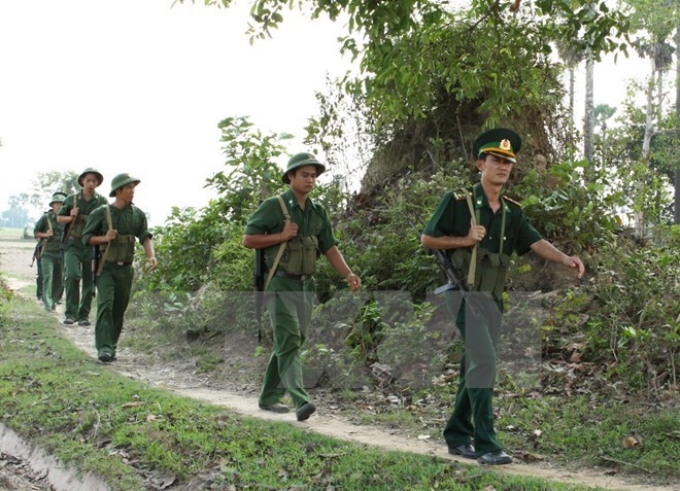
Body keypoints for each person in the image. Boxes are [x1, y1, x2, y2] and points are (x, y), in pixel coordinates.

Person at [421, 128, 585, 465]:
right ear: (480, 163)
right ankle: (487, 444)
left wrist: (565, 258)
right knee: (485, 362)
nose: (503, 166)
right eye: (496, 160)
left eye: (508, 161)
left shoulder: (512, 212)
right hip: (462, 293)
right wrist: (464, 240)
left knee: (474, 364)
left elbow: (536, 242)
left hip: (493, 299)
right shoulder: (458, 202)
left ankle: (456, 434)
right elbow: (428, 240)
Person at [243, 153, 362, 421]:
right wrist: (281, 236)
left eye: (313, 176)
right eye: (305, 175)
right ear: (290, 177)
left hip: (306, 286)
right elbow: (249, 239)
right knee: (289, 340)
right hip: (280, 283)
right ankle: (300, 399)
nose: (310, 180)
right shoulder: (274, 206)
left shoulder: (318, 211)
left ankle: (268, 396)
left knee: (293, 341)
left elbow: (329, 247)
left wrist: (348, 273)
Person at [82, 173, 157, 363]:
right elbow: (86, 238)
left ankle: (112, 345)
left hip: (126, 270)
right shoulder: (101, 213)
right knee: (105, 305)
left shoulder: (138, 215)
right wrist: (104, 238)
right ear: (118, 191)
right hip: (106, 268)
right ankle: (104, 348)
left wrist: (151, 257)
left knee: (118, 309)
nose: (132, 191)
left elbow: (145, 238)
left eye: (133, 188)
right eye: (129, 188)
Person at [57, 168, 109, 326]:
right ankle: (70, 313)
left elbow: (107, 222)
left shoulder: (102, 202)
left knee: (89, 281)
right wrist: (70, 216)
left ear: (97, 183)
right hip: (73, 243)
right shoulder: (72, 199)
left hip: (91, 246)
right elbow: (60, 218)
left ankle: (83, 315)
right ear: (82, 181)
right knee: (72, 275)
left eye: (94, 181)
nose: (91, 183)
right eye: (88, 180)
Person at [33, 192, 67, 311]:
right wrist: (45, 234)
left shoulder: (68, 220)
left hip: (62, 253)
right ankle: (47, 303)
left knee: (60, 279)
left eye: (62, 204)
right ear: (52, 205)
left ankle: (53, 300)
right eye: (56, 203)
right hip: (47, 253)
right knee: (48, 277)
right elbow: (35, 233)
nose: (59, 206)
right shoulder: (46, 218)